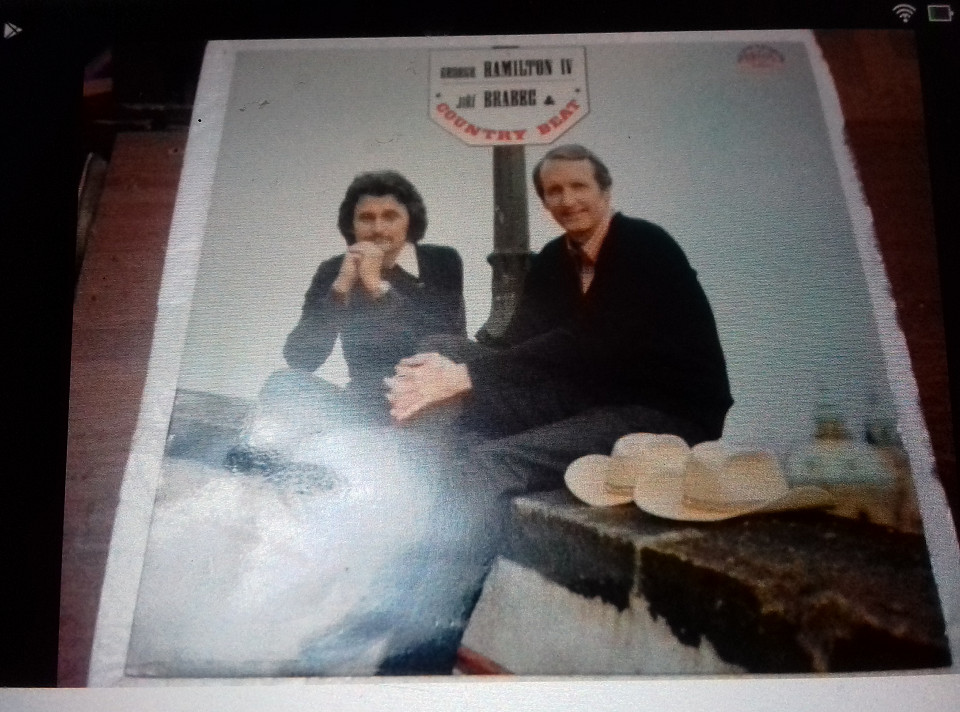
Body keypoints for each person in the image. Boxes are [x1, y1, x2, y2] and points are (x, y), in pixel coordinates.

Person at [386, 144, 733, 497]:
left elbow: (592, 339)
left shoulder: (644, 244)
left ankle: (456, 507)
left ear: (605, 192)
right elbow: (515, 343)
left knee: (490, 461)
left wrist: (463, 377)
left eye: (579, 186)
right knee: (439, 351)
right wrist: (437, 373)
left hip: (663, 411)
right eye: (554, 191)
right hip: (584, 396)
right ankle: (432, 479)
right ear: (545, 203)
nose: (567, 200)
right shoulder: (555, 258)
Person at [228, 170, 466, 474]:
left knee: (343, 459)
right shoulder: (334, 270)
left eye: (390, 216)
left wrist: (377, 288)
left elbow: (444, 340)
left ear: (410, 220)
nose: (377, 228)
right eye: (366, 218)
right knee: (283, 384)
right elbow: (301, 358)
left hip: (425, 407)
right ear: (351, 225)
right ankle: (251, 474)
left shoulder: (440, 262)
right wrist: (340, 290)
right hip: (362, 405)